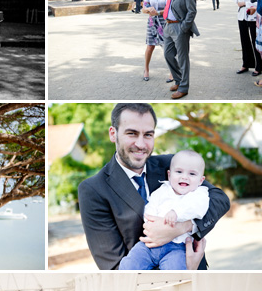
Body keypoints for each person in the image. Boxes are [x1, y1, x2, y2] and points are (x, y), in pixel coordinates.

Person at [78, 103, 230, 270]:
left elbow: (219, 199)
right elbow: (114, 267)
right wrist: (187, 268)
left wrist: (183, 226)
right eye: (132, 133)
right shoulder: (93, 189)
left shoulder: (172, 165)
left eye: (148, 135)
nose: (141, 144)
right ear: (113, 134)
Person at [119, 150, 209, 270]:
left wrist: (176, 213)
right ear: (169, 175)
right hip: (150, 244)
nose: (184, 177)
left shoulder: (198, 194)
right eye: (179, 172)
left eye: (192, 174)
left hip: (177, 247)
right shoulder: (162, 190)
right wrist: (150, 222)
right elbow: (151, 206)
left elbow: (197, 208)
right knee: (130, 263)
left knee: (174, 271)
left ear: (201, 180)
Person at [162, 0, 200, 99]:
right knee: (168, 55)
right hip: (168, 26)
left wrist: (184, 27)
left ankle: (184, 87)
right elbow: (169, 7)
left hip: (179, 27)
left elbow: (192, 11)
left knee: (183, 59)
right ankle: (178, 81)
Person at [228, 0, 262, 76]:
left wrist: (246, 3)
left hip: (252, 15)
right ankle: (246, 64)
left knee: (255, 40)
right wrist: (238, 1)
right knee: (244, 40)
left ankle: (259, 66)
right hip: (241, 15)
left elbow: (260, 2)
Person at [142, 0, 169, 81]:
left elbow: (170, 8)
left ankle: (172, 71)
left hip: (165, 22)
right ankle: (146, 69)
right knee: (150, 46)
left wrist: (158, 12)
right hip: (152, 22)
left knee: (167, 48)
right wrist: (148, 9)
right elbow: (143, 8)